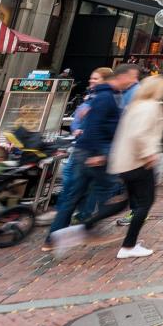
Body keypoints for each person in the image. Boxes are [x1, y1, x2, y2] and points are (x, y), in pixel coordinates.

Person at [51, 75, 163, 258]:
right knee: (144, 204)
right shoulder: (151, 107)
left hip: (124, 162)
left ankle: (81, 228)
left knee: (123, 202)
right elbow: (139, 135)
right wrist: (148, 155)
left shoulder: (134, 105)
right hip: (139, 162)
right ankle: (128, 246)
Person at [43, 63, 139, 253]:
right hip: (93, 153)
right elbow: (94, 126)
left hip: (87, 152)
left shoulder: (105, 96)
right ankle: (85, 228)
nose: (135, 81)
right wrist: (97, 154)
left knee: (75, 196)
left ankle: (55, 237)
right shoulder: (106, 97)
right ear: (121, 77)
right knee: (110, 194)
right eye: (132, 76)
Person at [62, 67, 113, 223]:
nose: (92, 81)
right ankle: (72, 214)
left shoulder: (105, 98)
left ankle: (84, 214)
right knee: (70, 180)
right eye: (92, 78)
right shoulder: (91, 96)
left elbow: (102, 125)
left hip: (91, 148)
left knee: (86, 185)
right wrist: (75, 128)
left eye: (96, 78)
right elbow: (78, 118)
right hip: (81, 146)